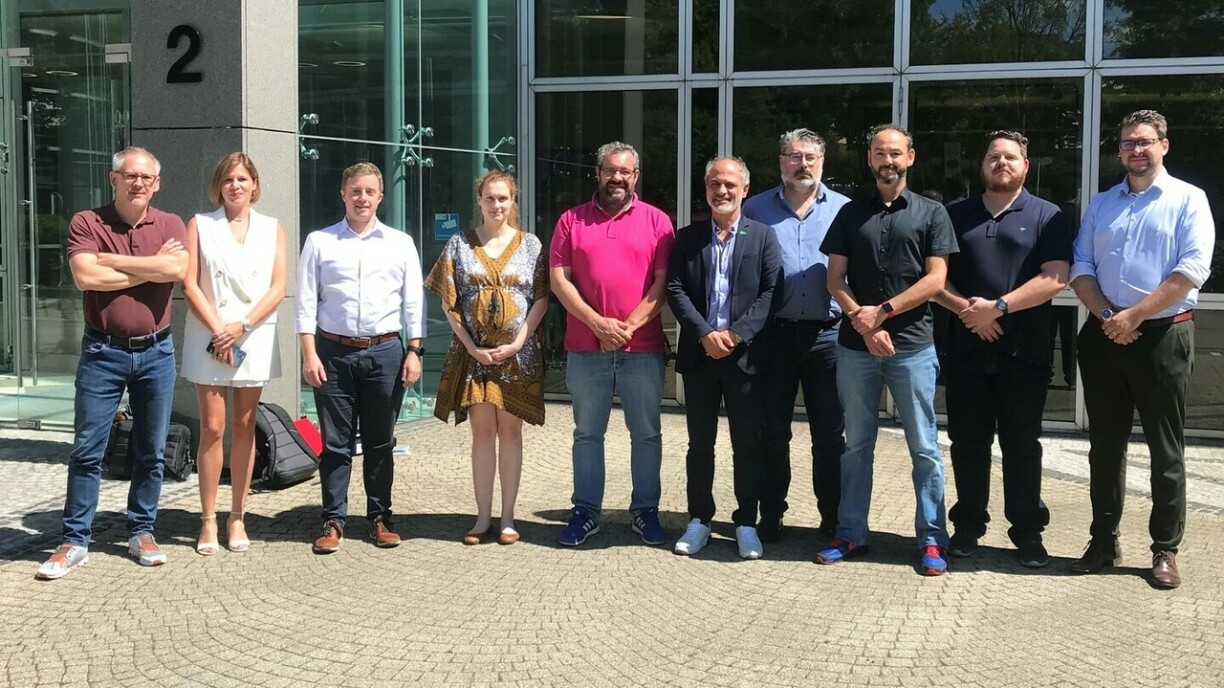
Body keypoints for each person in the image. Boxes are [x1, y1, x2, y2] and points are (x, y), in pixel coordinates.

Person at [1068, 110, 1215, 589]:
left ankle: (1165, 549)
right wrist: (1111, 317)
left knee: (1164, 448)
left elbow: (1192, 269)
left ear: (1164, 146)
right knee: (1104, 445)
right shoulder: (1102, 204)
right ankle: (1103, 540)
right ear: (1119, 150)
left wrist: (1135, 315)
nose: (1137, 150)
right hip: (1104, 333)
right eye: (1129, 142)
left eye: (1145, 141)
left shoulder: (1189, 199)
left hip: (1162, 336)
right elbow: (1081, 265)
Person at [36, 147, 188, 580]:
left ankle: (141, 531)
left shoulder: (170, 223)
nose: (137, 182)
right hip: (103, 352)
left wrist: (116, 260)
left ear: (156, 184)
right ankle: (74, 540)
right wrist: (153, 266)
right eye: (129, 175)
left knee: (151, 451)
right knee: (87, 450)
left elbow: (179, 268)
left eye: (146, 177)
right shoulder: (88, 221)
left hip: (157, 351)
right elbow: (87, 276)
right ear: (113, 178)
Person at [817, 124, 958, 576]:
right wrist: (862, 319)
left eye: (895, 153)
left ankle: (933, 540)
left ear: (910, 157)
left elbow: (936, 280)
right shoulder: (849, 214)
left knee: (924, 447)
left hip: (913, 347)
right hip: (856, 349)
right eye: (879, 153)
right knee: (856, 445)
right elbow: (834, 280)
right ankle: (852, 532)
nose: (887, 161)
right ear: (869, 158)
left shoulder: (933, 213)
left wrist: (884, 312)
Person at [935, 131, 1072, 568]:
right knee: (967, 442)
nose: (1001, 163)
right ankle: (968, 526)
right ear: (982, 165)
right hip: (965, 349)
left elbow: (1055, 278)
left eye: (1010, 157)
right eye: (993, 156)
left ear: (1025, 166)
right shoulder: (954, 215)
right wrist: (967, 311)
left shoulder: (1048, 216)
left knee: (1022, 444)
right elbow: (934, 277)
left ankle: (1027, 532)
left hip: (1024, 352)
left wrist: (997, 308)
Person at [549, 141, 675, 547]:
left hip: (643, 349)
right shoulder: (571, 220)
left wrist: (625, 328)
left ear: (635, 176)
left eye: (625, 171)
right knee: (587, 433)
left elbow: (662, 286)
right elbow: (559, 280)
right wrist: (598, 324)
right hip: (586, 347)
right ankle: (585, 511)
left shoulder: (658, 222)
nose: (616, 177)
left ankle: (645, 511)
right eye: (609, 170)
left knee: (647, 433)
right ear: (598, 173)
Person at [296, 162, 425, 554]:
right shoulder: (320, 242)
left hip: (386, 351)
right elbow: (304, 302)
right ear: (343, 194)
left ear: (380, 196)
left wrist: (415, 351)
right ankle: (333, 519)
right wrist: (308, 353)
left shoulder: (400, 242)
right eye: (355, 191)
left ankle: (380, 517)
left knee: (380, 440)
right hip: (333, 353)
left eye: (369, 191)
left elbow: (414, 301)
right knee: (335, 443)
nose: (362, 198)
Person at [425, 170, 549, 546]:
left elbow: (541, 299)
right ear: (479, 200)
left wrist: (516, 344)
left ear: (514, 202)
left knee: (510, 433)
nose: (497, 205)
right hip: (474, 355)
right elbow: (449, 301)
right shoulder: (460, 244)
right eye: (490, 198)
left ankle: (508, 516)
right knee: (482, 434)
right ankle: (482, 517)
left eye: (504, 198)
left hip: (518, 358)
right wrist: (470, 346)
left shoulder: (530, 245)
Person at [667, 157, 781, 559]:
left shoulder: (764, 237)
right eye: (715, 183)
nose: (722, 191)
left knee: (747, 445)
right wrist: (704, 334)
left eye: (730, 184)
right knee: (700, 445)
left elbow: (771, 292)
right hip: (700, 357)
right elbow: (675, 288)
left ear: (745, 190)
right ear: (706, 189)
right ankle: (699, 520)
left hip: (745, 358)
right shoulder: (687, 237)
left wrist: (733, 335)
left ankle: (746, 522)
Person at [742, 127, 851, 542]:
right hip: (774, 337)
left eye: (809, 157)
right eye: (793, 156)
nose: (801, 164)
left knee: (829, 435)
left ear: (822, 163)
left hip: (829, 337)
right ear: (780, 162)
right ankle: (771, 515)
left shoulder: (845, 209)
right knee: (772, 431)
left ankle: (833, 518)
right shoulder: (753, 209)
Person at [180, 152, 289, 555]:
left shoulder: (273, 228)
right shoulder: (200, 225)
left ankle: (237, 516)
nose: (236, 186)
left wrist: (240, 326)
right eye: (228, 179)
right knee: (211, 427)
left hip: (252, 333)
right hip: (209, 333)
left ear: (255, 185)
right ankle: (208, 519)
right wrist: (218, 329)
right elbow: (188, 283)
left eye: (243, 179)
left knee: (244, 425)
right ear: (218, 186)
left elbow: (278, 288)